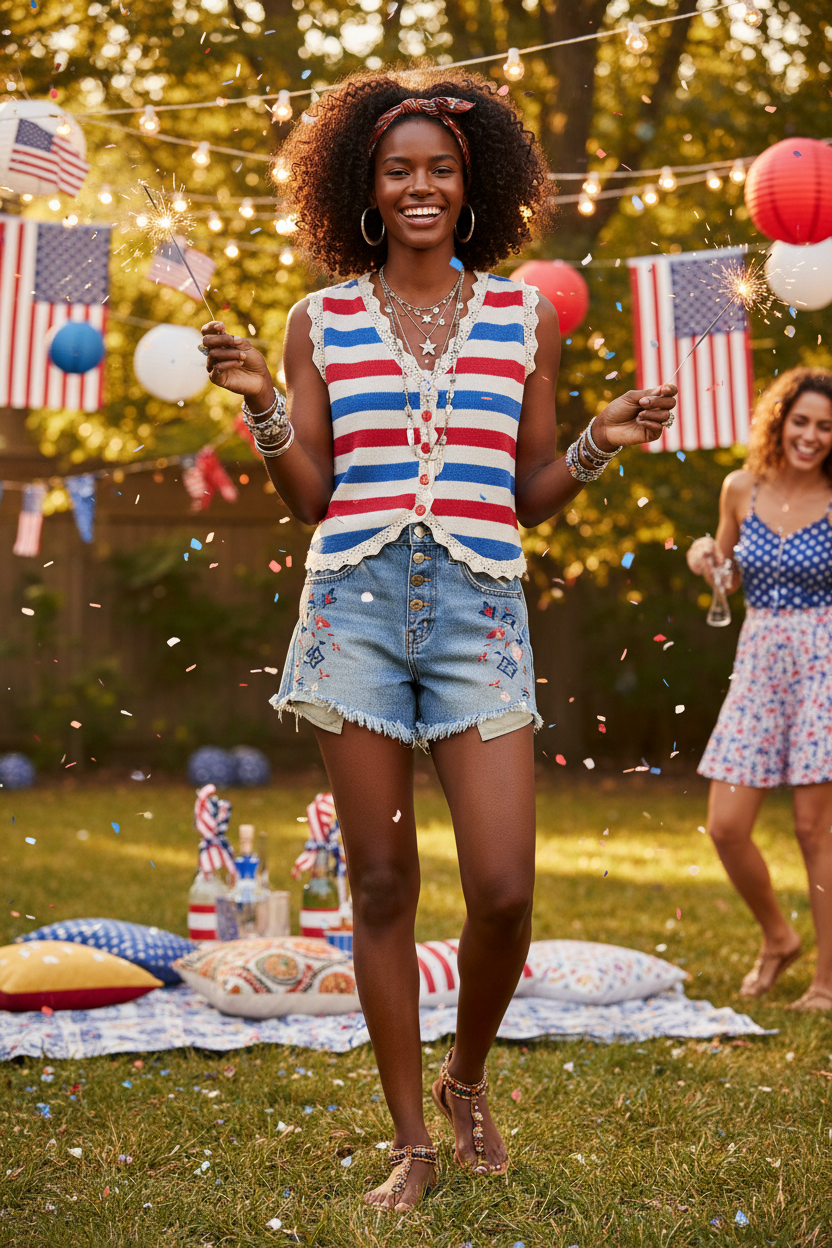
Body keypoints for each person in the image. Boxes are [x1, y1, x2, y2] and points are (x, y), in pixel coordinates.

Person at [201, 70, 676, 1211]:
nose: (420, 186)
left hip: (478, 616)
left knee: (504, 887)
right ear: (363, 188)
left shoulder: (525, 317)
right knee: (379, 882)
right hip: (354, 610)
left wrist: (603, 442)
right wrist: (268, 407)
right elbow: (310, 494)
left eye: (441, 169)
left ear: (474, 187)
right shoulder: (321, 319)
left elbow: (531, 493)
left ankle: (467, 1077)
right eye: (398, 170)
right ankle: (411, 1140)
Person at [688, 367, 832, 1013]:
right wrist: (705, 559)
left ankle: (827, 983)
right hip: (759, 661)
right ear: (780, 421)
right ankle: (779, 937)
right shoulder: (740, 489)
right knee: (725, 825)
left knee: (814, 830)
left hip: (824, 663)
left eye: (826, 426)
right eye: (801, 420)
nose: (811, 435)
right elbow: (728, 578)